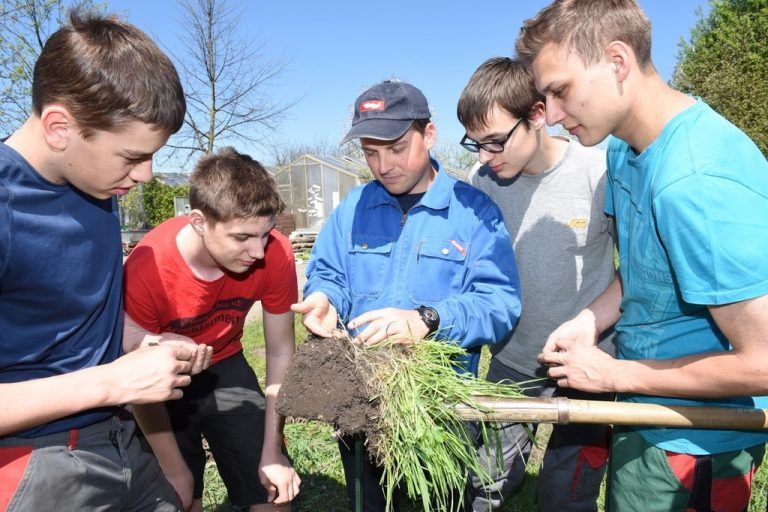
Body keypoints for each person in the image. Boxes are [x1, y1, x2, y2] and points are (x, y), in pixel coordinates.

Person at [515, 1, 768, 510]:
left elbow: (763, 363)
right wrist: (589, 321)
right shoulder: (622, 149)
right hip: (644, 411)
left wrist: (613, 376)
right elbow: (644, 268)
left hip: (696, 441)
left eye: (561, 91)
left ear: (617, 61)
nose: (553, 115)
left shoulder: (695, 182)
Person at [0, 10, 212, 512]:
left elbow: (63, 316)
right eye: (132, 156)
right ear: (59, 127)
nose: (146, 175)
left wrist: (139, 342)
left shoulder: (96, 182)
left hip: (119, 438)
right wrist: (115, 380)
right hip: (34, 460)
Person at [291, 80, 522, 511]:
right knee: (368, 501)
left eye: (396, 148)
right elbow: (329, 273)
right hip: (361, 401)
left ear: (428, 134)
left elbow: (500, 304)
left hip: (439, 411)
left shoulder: (473, 213)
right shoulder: (354, 207)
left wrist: (428, 320)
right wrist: (325, 298)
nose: (384, 165)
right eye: (370, 153)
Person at [456, 56, 617, 512]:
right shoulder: (482, 184)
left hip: (590, 364)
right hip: (512, 359)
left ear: (537, 114)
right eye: (476, 144)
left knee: (567, 493)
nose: (485, 157)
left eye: (495, 142)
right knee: (485, 482)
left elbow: (637, 271)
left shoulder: (599, 175)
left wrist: (590, 325)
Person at [123, 147, 302, 512]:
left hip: (225, 364)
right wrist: (175, 471)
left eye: (265, 233)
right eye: (242, 237)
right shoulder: (148, 268)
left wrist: (272, 450)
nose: (259, 251)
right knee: (179, 496)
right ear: (199, 222)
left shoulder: (275, 252)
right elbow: (136, 379)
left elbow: (281, 351)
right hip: (161, 379)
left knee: (272, 492)